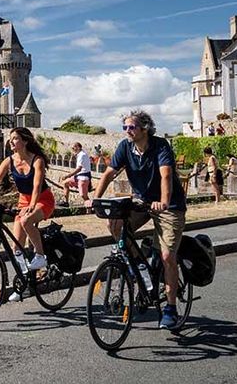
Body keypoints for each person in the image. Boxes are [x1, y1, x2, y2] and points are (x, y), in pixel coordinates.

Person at [85, 110, 187, 330]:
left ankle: (170, 308)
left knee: (168, 254)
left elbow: (166, 174)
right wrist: (96, 199)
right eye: (125, 128)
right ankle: (138, 264)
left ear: (145, 128)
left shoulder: (160, 146)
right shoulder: (125, 147)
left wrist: (163, 201)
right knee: (114, 223)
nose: (127, 131)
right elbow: (109, 173)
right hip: (141, 201)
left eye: (132, 127)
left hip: (169, 205)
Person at [0, 127, 55, 301]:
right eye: (10, 138)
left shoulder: (37, 160)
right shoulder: (9, 161)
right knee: (16, 248)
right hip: (23, 201)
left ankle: (40, 256)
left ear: (25, 141)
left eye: (15, 138)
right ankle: (25, 283)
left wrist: (33, 205)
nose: (11, 141)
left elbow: (37, 185)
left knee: (27, 220)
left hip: (43, 200)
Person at [59, 142, 91, 207]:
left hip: (83, 177)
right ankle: (66, 202)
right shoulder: (80, 154)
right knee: (65, 183)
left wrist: (68, 176)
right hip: (78, 177)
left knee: (83, 195)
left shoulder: (82, 155)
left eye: (74, 147)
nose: (72, 148)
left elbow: (79, 169)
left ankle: (90, 210)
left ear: (78, 147)